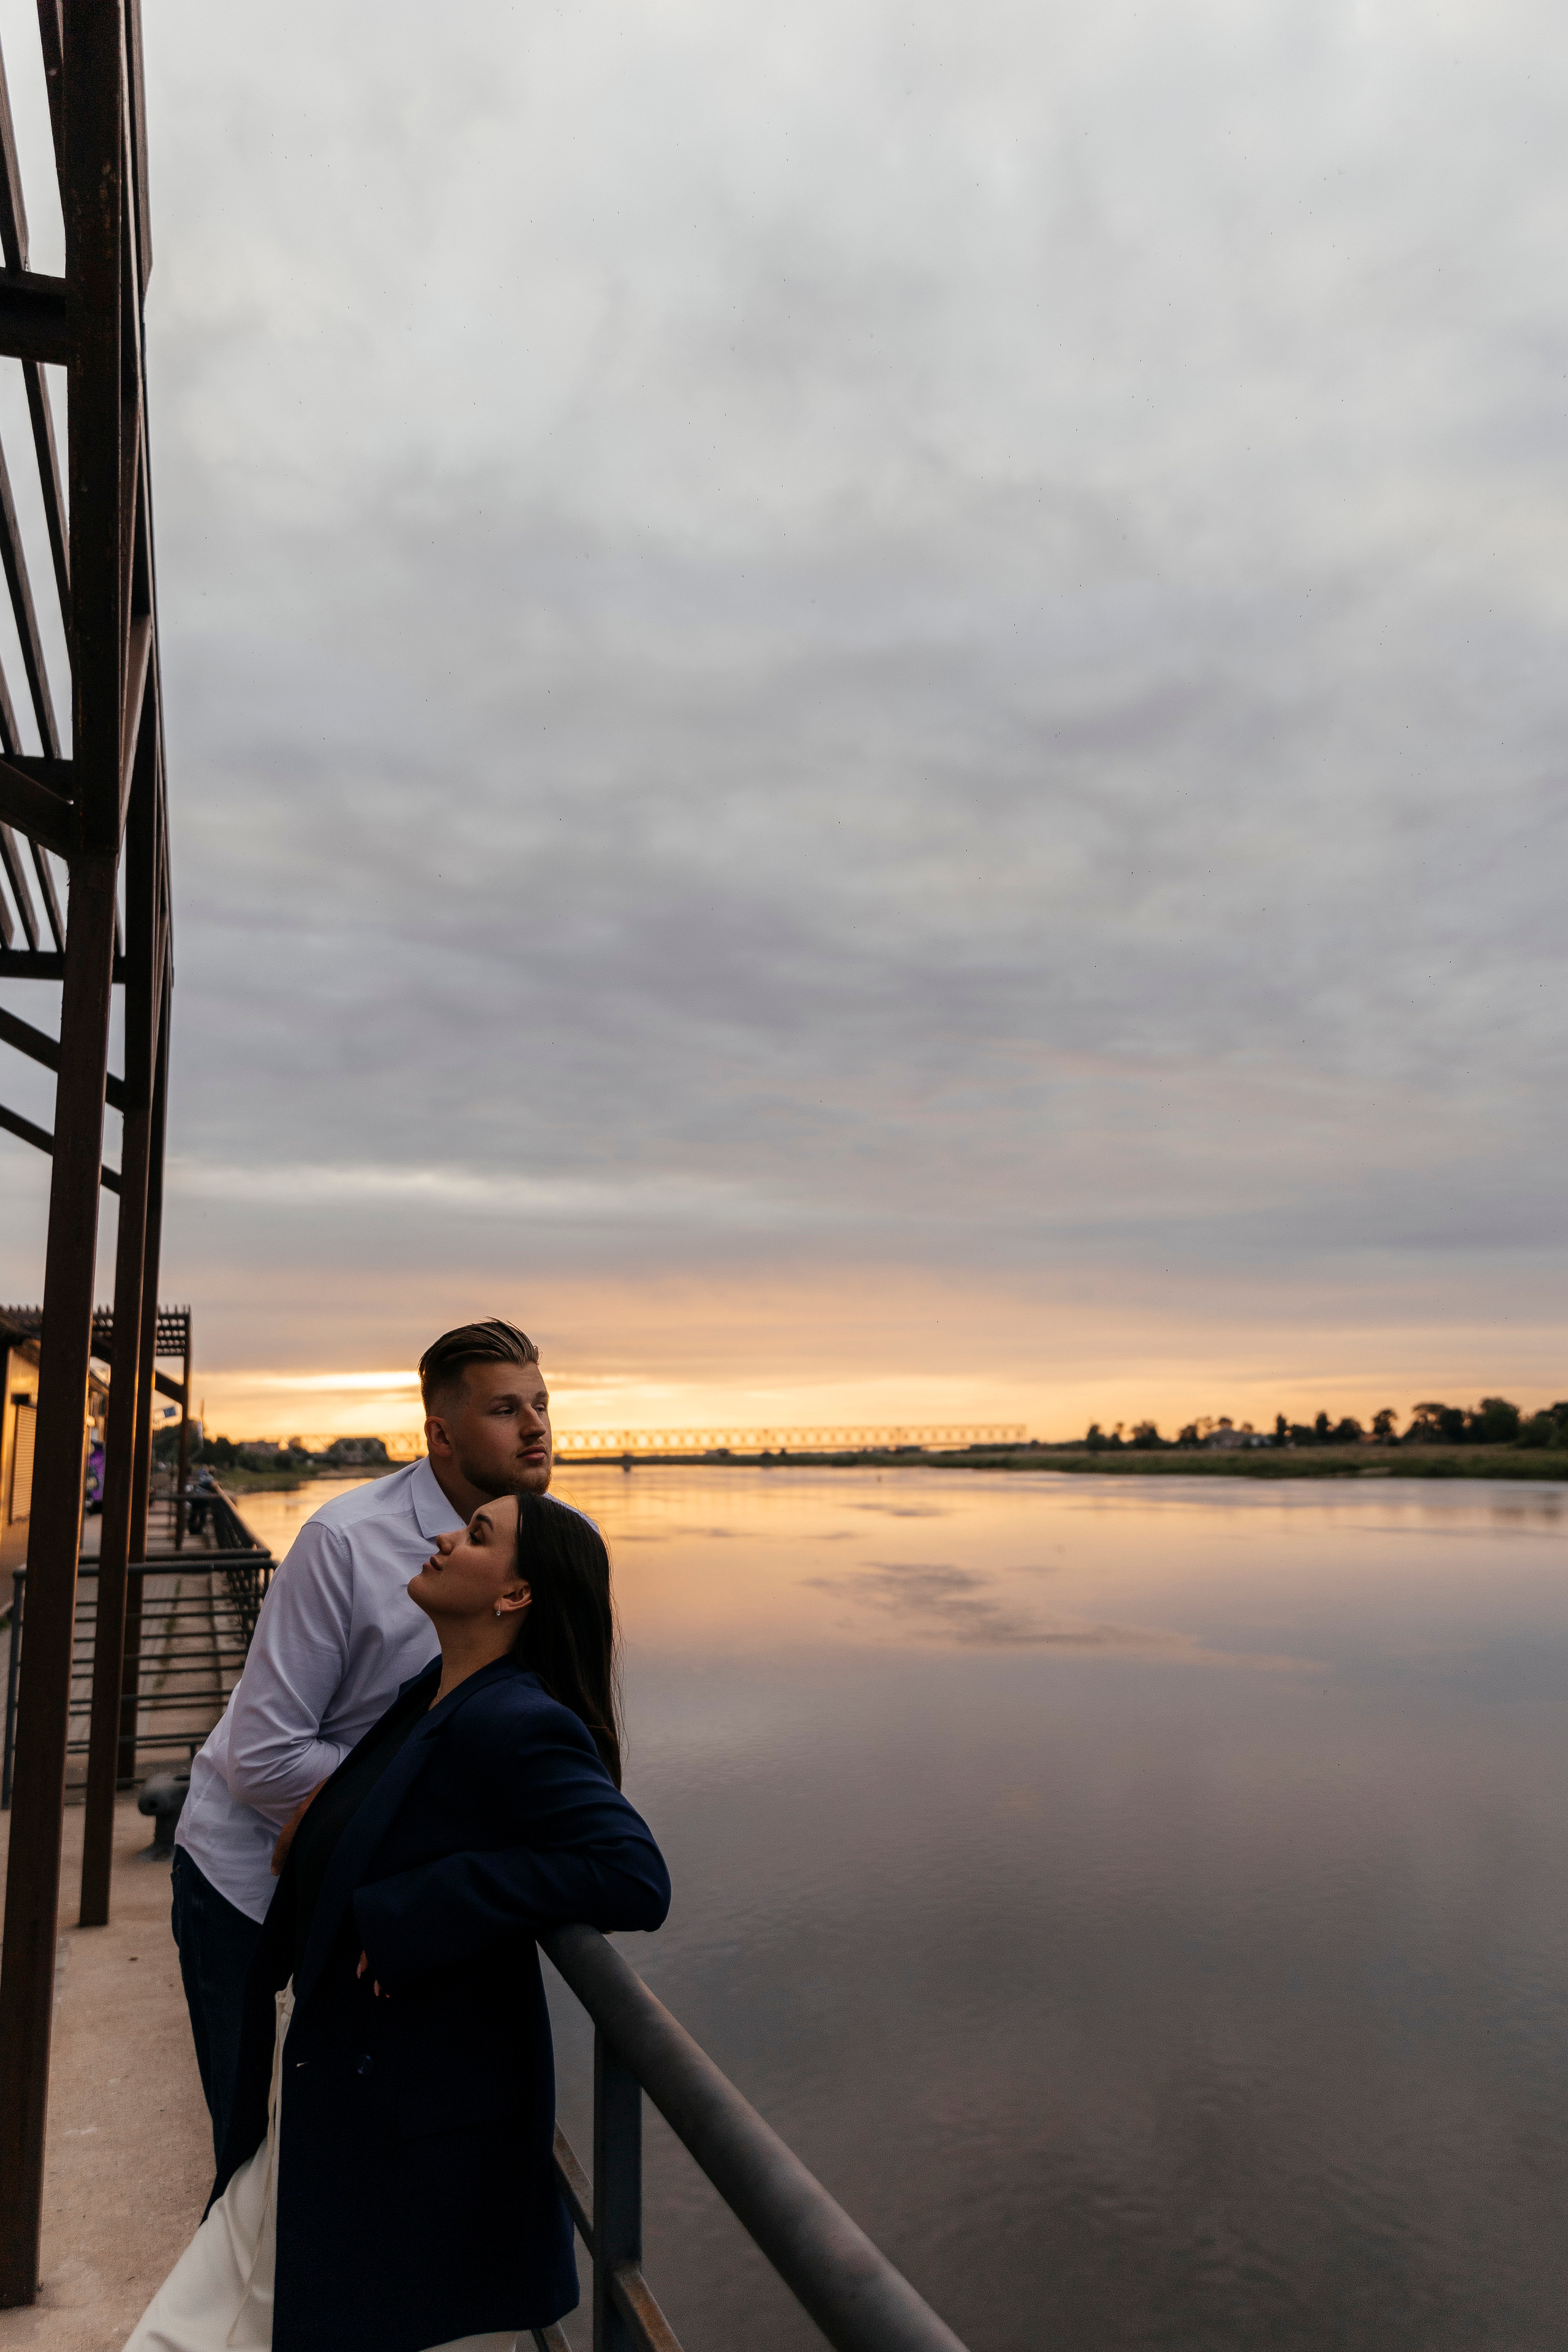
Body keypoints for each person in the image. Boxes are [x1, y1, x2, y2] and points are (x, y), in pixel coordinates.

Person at [127, 1491, 668, 2352]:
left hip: (368, 2120)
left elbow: (632, 1874)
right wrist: (334, 1808)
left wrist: (433, 1904)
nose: (449, 1538)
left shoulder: (516, 1720)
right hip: (322, 2087)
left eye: (479, 1536)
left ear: (516, 1596)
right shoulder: (439, 1688)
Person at [172, 1318, 558, 2162]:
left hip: (371, 1885)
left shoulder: (551, 1547)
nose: (536, 1426)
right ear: (441, 1435)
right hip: (246, 1877)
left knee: (345, 2157)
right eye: (505, 1409)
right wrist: (428, 1821)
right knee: (246, 2148)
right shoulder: (346, 1541)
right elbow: (264, 1755)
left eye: (540, 1403)